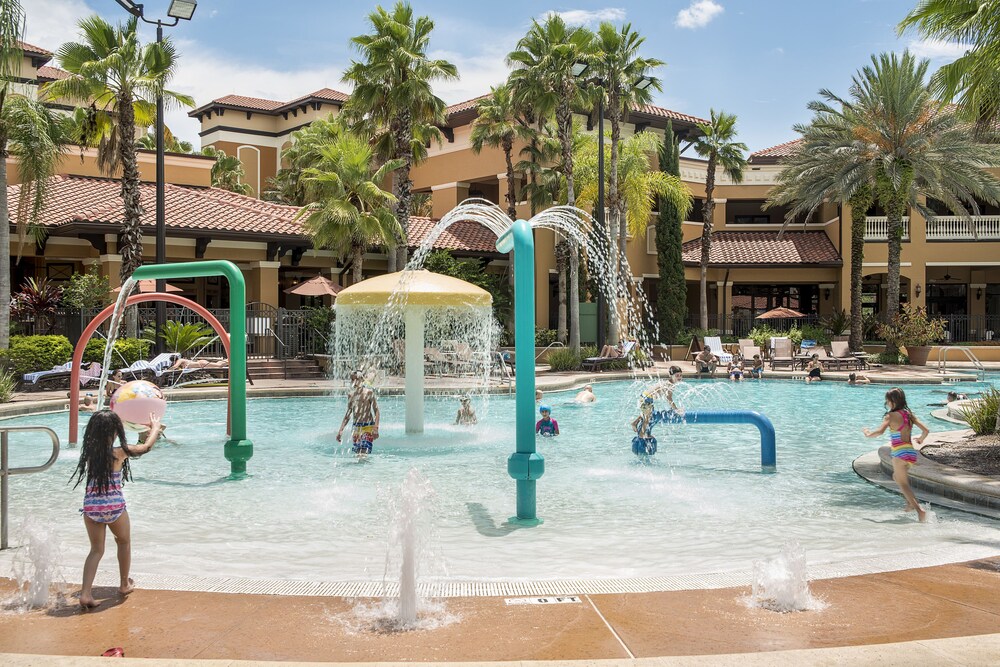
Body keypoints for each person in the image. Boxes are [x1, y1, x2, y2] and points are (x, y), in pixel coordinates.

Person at [70, 409, 161, 610]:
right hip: (114, 507)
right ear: (115, 432)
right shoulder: (118, 453)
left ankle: (85, 594)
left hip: (91, 507)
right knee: (124, 542)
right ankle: (123, 584)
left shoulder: (91, 455)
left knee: (96, 550)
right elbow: (145, 447)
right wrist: (154, 428)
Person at [862, 388, 930, 522]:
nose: (886, 403)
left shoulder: (890, 415)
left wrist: (868, 434)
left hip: (899, 452)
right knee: (896, 477)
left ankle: (919, 511)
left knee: (903, 484)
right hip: (911, 452)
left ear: (892, 401)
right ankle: (910, 503)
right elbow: (926, 430)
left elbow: (880, 432)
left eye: (887, 400)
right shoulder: (908, 414)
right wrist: (921, 439)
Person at [336, 370, 381, 459]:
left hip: (368, 426)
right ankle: (361, 472)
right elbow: (348, 414)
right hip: (356, 427)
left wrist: (375, 428)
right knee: (358, 454)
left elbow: (376, 411)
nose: (354, 382)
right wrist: (341, 430)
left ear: (361, 379)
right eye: (352, 379)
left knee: (363, 453)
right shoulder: (351, 395)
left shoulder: (369, 393)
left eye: (356, 379)